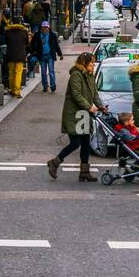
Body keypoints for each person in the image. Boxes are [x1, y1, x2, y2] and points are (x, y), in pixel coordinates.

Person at [47, 53, 101, 183]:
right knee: (75, 142)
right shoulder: (76, 75)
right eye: (91, 63)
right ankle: (55, 162)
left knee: (85, 143)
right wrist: (89, 107)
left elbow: (95, 94)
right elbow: (76, 95)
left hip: (84, 114)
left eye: (93, 63)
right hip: (75, 114)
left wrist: (101, 106)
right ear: (84, 63)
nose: (93, 65)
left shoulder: (90, 76)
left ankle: (84, 172)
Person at [30, 21, 63, 93]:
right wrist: (34, 51)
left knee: (51, 71)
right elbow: (32, 44)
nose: (45, 28)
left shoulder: (52, 35)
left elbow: (56, 45)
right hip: (41, 56)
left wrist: (60, 54)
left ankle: (53, 86)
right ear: (41, 28)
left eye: (46, 27)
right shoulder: (37, 35)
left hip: (50, 56)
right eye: (43, 27)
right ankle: (45, 86)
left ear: (49, 27)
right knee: (43, 72)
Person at [4, 17, 30, 97]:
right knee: (18, 73)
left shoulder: (8, 32)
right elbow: (27, 42)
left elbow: (6, 42)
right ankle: (17, 91)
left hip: (10, 55)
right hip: (20, 55)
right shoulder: (24, 32)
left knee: (11, 73)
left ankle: (12, 89)